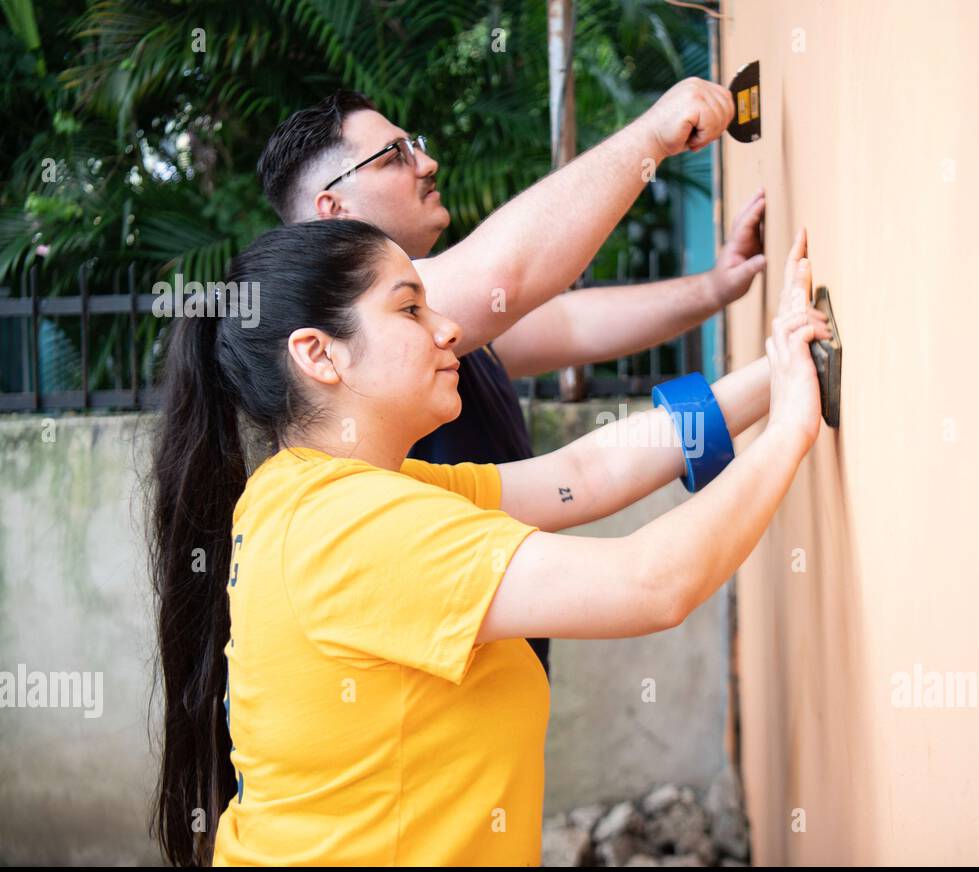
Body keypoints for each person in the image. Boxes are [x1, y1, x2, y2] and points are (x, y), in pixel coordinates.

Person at [146, 217, 828, 866]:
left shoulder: (318, 491)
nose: (448, 329)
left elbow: (580, 476)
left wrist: (779, 370)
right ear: (319, 353)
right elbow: (652, 584)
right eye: (409, 309)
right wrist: (790, 430)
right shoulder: (348, 527)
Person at [256, 84, 768, 678]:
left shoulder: (426, 344)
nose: (427, 163)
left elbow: (572, 352)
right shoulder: (369, 342)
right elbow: (511, 277)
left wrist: (719, 291)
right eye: (395, 155)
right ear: (332, 210)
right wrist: (655, 133)